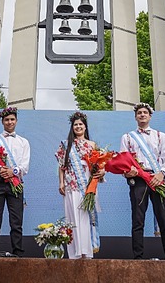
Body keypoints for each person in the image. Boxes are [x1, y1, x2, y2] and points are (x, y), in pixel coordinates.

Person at [120, 102, 165, 259]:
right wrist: (127, 172)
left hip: (157, 179)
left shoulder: (160, 135)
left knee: (164, 219)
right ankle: (138, 258)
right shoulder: (128, 137)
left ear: (150, 116)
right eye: (139, 113)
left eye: (145, 112)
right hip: (138, 180)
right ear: (135, 117)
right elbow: (124, 161)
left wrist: (162, 173)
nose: (142, 115)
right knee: (138, 220)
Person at [55, 111, 105, 259]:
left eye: (80, 124)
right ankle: (75, 252)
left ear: (85, 126)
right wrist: (61, 182)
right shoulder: (66, 144)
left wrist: (102, 173)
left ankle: (87, 251)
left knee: (86, 218)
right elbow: (61, 165)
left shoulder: (92, 144)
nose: (78, 126)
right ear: (72, 127)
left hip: (87, 185)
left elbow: (99, 165)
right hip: (72, 184)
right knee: (73, 218)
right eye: (75, 124)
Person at [0, 106, 30, 256]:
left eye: (12, 119)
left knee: (16, 221)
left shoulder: (24, 142)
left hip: (15, 182)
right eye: (6, 120)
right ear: (2, 122)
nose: (9, 122)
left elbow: (25, 166)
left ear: (16, 121)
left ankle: (18, 252)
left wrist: (12, 171)